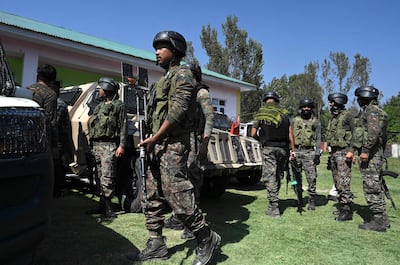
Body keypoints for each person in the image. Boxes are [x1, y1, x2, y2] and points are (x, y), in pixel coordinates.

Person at [130, 31, 221, 264]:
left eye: (162, 47)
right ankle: (156, 242)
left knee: (176, 193)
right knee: (151, 195)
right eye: (156, 48)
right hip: (156, 144)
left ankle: (205, 237)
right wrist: (151, 139)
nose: (157, 52)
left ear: (175, 50)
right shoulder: (163, 80)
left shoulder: (183, 74)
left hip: (173, 144)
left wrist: (156, 137)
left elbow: (178, 110)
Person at [164, 63, 215, 240]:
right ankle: (179, 218)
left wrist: (204, 144)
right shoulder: (183, 92)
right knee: (178, 180)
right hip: (181, 140)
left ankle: (194, 224)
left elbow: (210, 116)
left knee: (193, 180)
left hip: (195, 140)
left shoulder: (201, 92)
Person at [346, 86, 389, 232]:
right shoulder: (366, 111)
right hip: (371, 153)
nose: (358, 101)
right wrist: (353, 150)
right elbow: (359, 133)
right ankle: (381, 218)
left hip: (372, 155)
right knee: (373, 184)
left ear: (365, 98)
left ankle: (379, 220)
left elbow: (373, 132)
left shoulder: (372, 111)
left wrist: (365, 151)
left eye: (359, 98)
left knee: (371, 186)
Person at [87, 77, 127, 219]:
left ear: (107, 90)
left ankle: (109, 208)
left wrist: (122, 145)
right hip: (96, 145)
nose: (99, 91)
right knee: (98, 176)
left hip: (109, 145)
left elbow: (123, 126)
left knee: (107, 177)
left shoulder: (118, 105)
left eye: (101, 89)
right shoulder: (98, 106)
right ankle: (101, 205)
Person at [251, 91, 295, 217]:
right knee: (277, 175)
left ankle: (274, 207)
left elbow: (253, 133)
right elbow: (290, 135)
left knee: (270, 176)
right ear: (277, 102)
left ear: (265, 102)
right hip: (283, 150)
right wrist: (293, 150)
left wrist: (262, 141)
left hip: (269, 148)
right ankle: (275, 200)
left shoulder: (261, 114)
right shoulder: (285, 115)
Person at [325, 93, 354, 221]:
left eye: (332, 102)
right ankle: (343, 205)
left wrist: (351, 151)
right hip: (334, 153)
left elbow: (356, 134)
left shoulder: (348, 116)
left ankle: (347, 209)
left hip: (344, 152)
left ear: (337, 101)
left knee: (344, 181)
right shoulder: (333, 118)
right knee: (337, 181)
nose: (330, 104)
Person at [292, 98, 321, 210]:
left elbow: (318, 138)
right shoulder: (294, 120)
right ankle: (298, 198)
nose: (306, 109)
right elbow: (290, 136)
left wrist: (317, 153)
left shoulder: (315, 121)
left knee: (311, 178)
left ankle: (312, 200)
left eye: (308, 107)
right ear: (301, 108)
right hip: (296, 152)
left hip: (309, 152)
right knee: (295, 178)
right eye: (304, 107)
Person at [49, 80, 75, 196]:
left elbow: (56, 124)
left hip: (57, 140)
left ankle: (57, 188)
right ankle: (57, 188)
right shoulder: (59, 104)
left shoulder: (57, 104)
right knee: (57, 165)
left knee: (57, 165)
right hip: (59, 139)